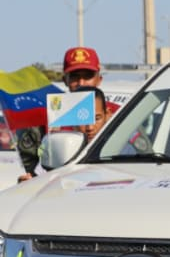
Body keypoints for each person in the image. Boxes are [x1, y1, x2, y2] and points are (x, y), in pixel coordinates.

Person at [17, 46, 113, 181]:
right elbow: (35, 168)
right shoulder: (50, 119)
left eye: (88, 76)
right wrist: (29, 181)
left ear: (99, 79)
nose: (81, 83)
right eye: (75, 77)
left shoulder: (119, 114)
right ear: (65, 80)